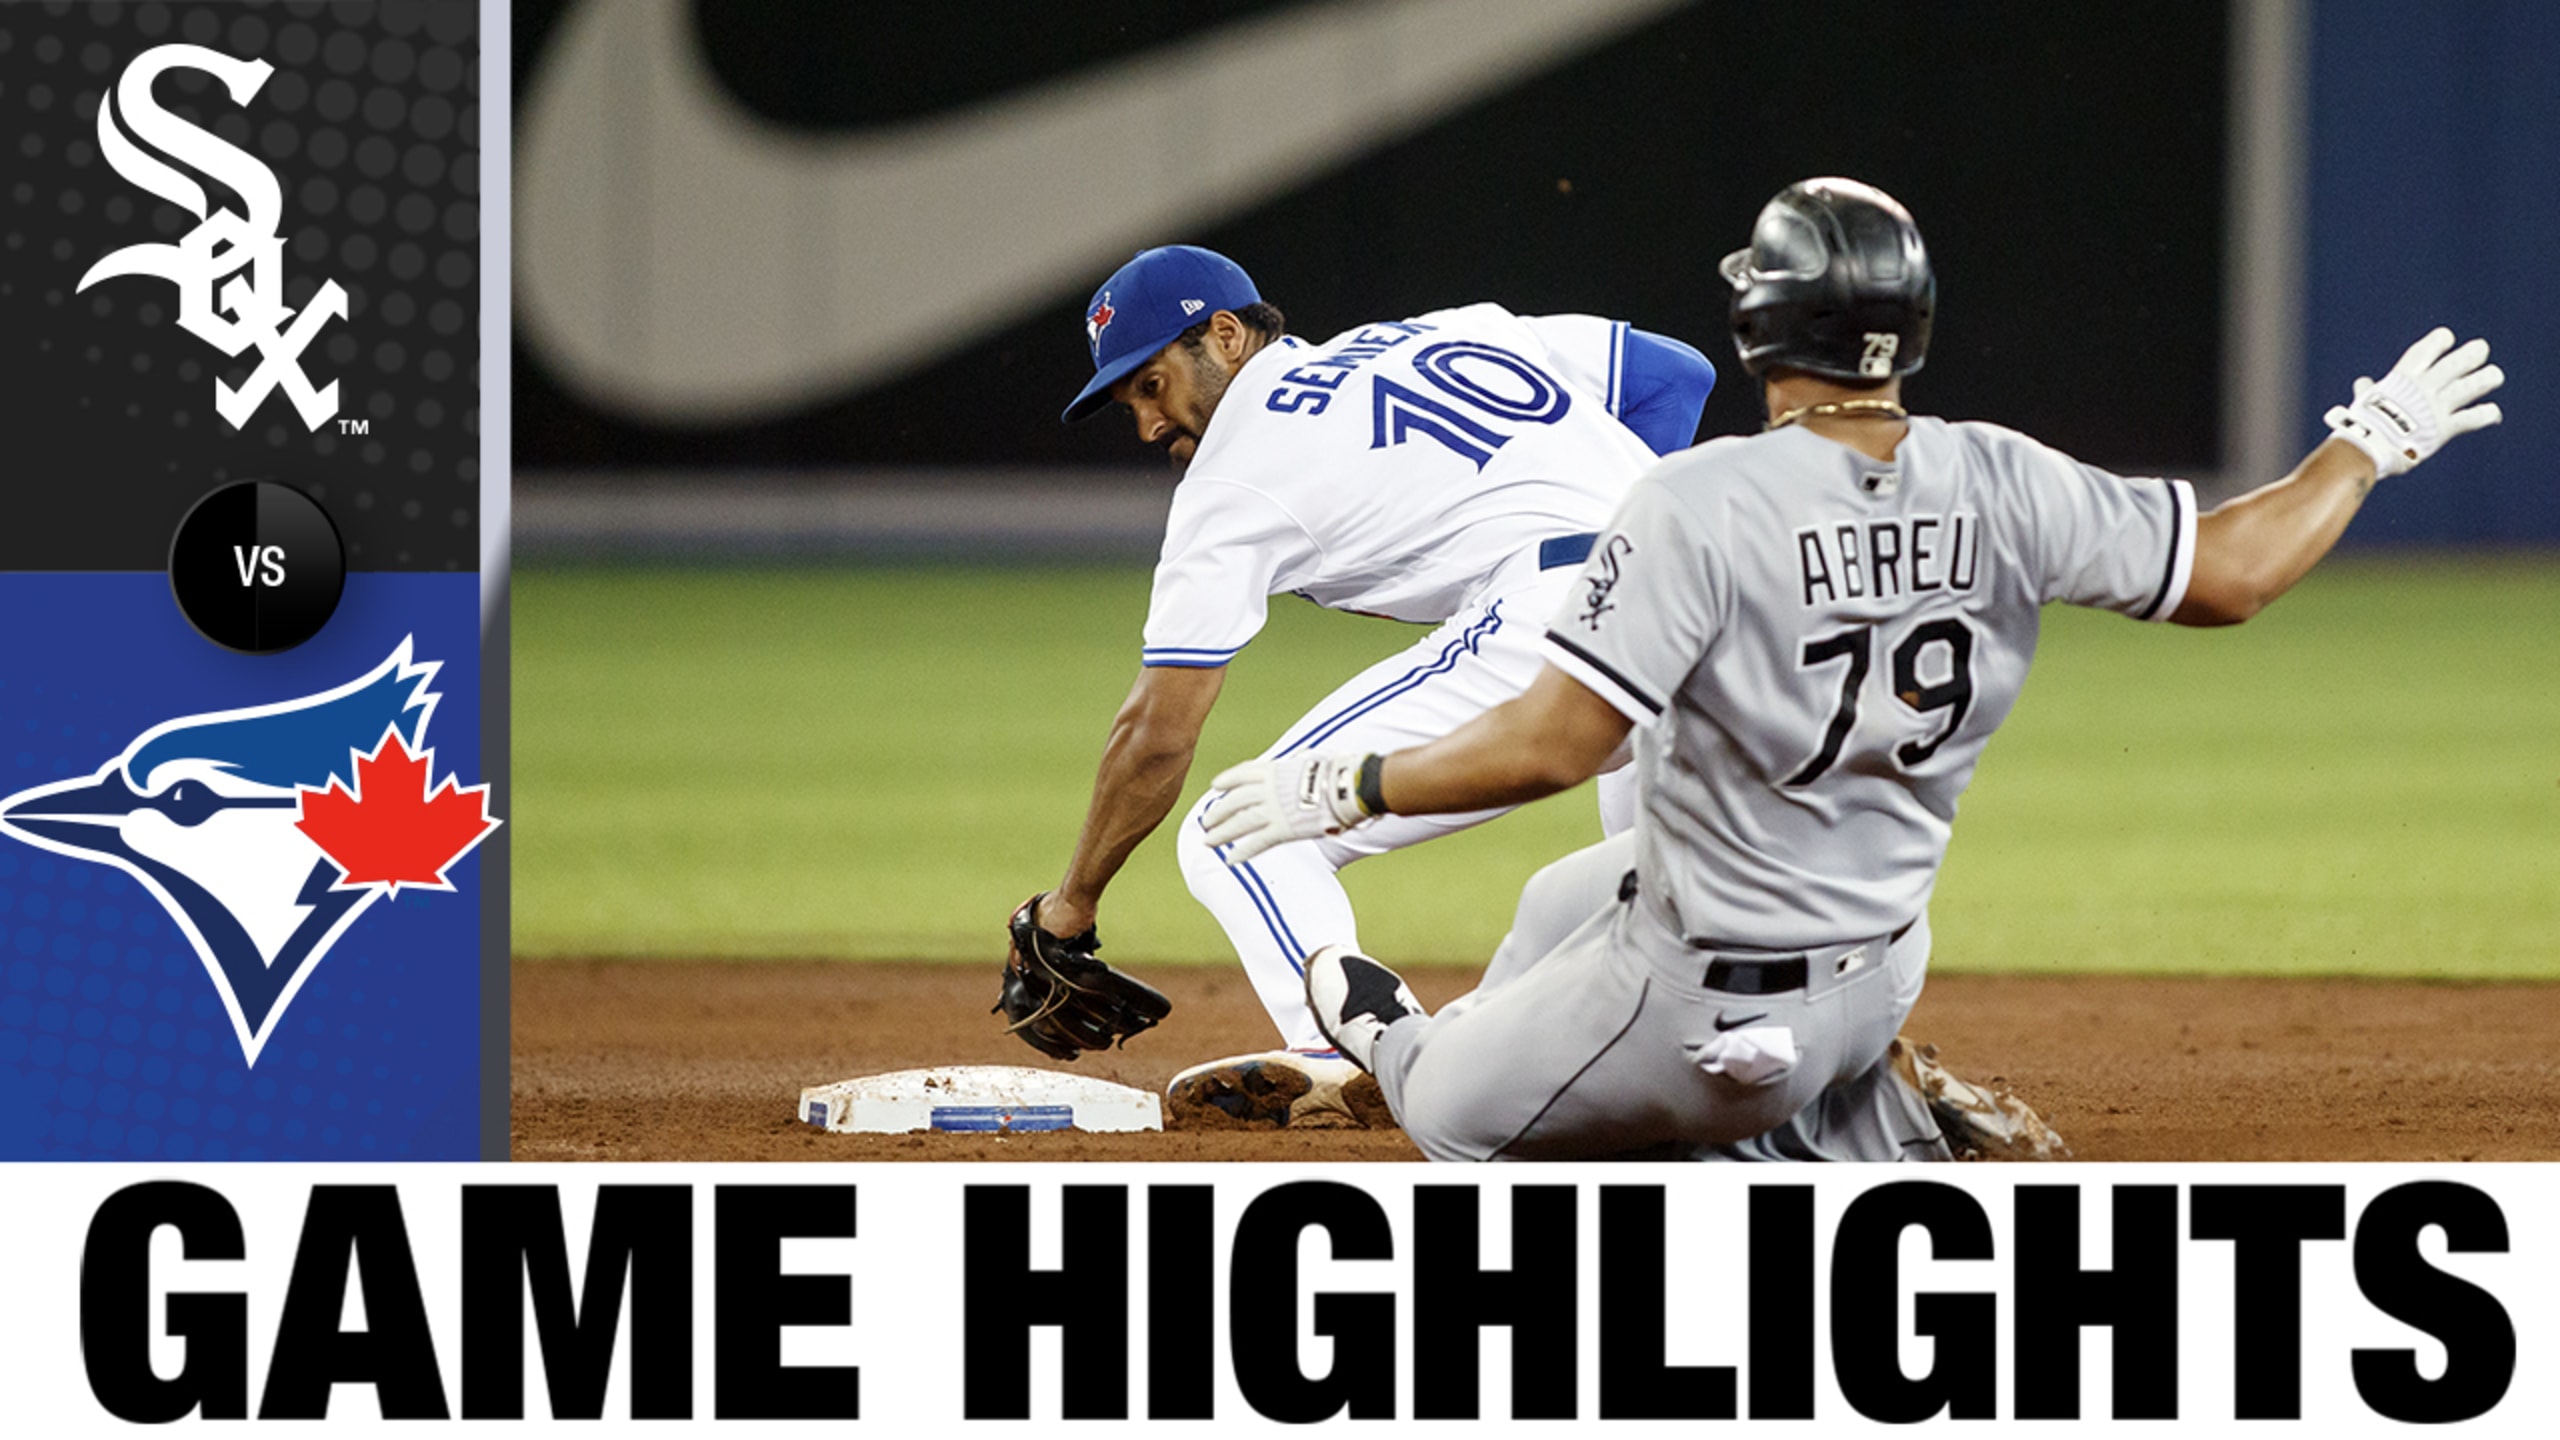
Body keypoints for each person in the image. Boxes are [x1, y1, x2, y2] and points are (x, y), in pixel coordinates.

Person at [1202, 177, 2505, 1161]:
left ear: (1761, 324)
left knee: (1453, 1126)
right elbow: (2234, 570)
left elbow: (1554, 744)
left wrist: (1349, 788)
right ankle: (1850, 1093)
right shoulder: (2002, 475)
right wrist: (2368, 444)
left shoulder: (1690, 501)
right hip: (1875, 968)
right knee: (1559, 897)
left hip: (1694, 994)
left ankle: (1409, 1049)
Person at [1019, 243, 1717, 1128]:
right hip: (1710, 591)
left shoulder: (1232, 474)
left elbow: (1158, 732)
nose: (1149, 426)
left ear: (1225, 336)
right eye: (1130, 404)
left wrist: (1072, 901)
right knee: (1667, 889)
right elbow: (1674, 376)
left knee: (1241, 828)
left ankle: (1356, 1055)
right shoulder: (1439, 331)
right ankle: (1779, 1078)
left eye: (1151, 386)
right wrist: (1629, 539)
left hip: (1555, 606)